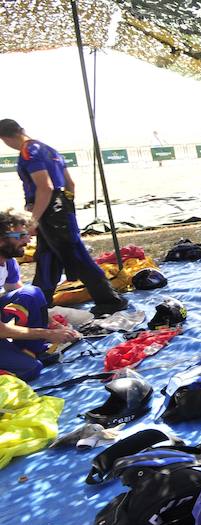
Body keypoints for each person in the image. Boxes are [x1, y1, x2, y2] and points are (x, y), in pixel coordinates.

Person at [0, 119, 127, 315]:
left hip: (49, 209)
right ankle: (40, 303)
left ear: (6, 137)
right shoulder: (49, 150)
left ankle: (109, 299)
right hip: (59, 208)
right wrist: (66, 209)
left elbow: (45, 187)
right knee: (46, 256)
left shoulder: (29, 151)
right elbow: (70, 185)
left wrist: (33, 220)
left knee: (76, 255)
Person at [0, 209, 81, 381]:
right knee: (30, 370)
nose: (28, 239)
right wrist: (47, 334)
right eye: (22, 234)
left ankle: (32, 348)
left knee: (32, 292)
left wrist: (52, 324)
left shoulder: (8, 262)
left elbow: (29, 298)